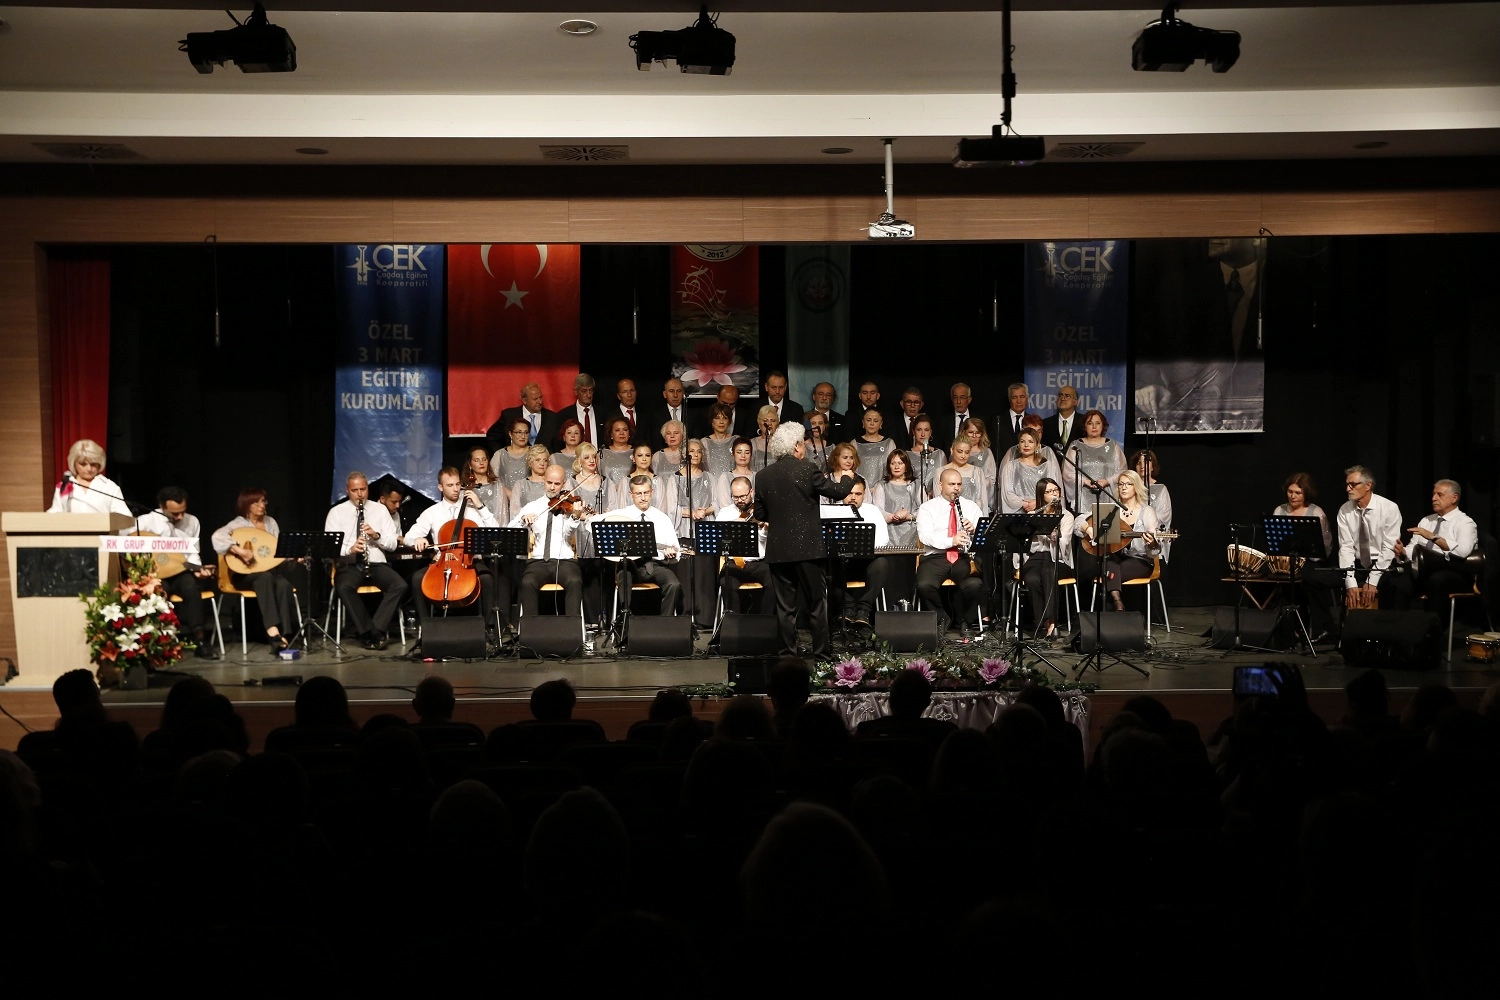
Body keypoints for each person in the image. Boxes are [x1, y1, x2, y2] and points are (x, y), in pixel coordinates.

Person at [754, 422, 855, 658]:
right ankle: (821, 656)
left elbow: (760, 513)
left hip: (779, 551)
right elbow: (837, 492)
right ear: (797, 446)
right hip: (809, 550)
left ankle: (787, 657)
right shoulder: (807, 469)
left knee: (785, 608)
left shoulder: (762, 475)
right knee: (817, 605)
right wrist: (847, 478)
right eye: (803, 444)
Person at [405, 466, 505, 645]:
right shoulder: (432, 512)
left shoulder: (473, 511)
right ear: (440, 487)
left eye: (458, 484)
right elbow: (408, 537)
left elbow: (495, 531)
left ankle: (488, 629)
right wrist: (417, 539)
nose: (456, 489)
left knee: (487, 580)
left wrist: (480, 505)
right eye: (450, 485)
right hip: (441, 562)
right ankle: (426, 629)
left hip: (469, 561)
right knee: (417, 579)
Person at [325, 471, 408, 650]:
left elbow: (392, 544)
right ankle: (367, 630)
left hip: (376, 562)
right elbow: (329, 547)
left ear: (368, 488)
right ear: (347, 490)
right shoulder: (336, 513)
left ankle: (375, 630)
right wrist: (350, 549)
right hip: (349, 564)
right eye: (355, 490)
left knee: (400, 585)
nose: (360, 494)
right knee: (343, 587)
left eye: (363, 489)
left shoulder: (380, 510)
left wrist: (376, 536)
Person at [212, 487, 301, 652]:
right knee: (265, 577)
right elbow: (217, 537)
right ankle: (272, 631)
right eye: (256, 502)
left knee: (283, 584)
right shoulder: (238, 524)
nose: (261, 505)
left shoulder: (271, 523)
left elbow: (277, 551)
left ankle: (286, 634)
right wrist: (239, 551)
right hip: (244, 575)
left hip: (268, 572)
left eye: (263, 501)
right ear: (246, 504)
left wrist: (292, 557)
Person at [135, 485, 217, 658]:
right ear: (162, 507)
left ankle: (200, 640)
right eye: (174, 513)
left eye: (182, 512)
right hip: (156, 573)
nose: (180, 517)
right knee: (157, 592)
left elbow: (193, 552)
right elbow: (126, 543)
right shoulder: (145, 522)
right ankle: (157, 643)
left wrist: (197, 570)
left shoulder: (192, 521)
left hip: (181, 570)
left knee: (191, 587)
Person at [599, 474, 682, 622]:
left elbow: (676, 551)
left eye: (646, 493)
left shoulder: (662, 518)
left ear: (652, 492)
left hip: (654, 564)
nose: (643, 498)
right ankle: (626, 621)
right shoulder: (622, 514)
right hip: (630, 565)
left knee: (673, 584)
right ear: (631, 494)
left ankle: (665, 624)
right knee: (624, 574)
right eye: (638, 493)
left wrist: (671, 553)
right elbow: (593, 523)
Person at [1075, 470, 1160, 612]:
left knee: (1109, 572)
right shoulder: (1112, 509)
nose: (1124, 487)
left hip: (1140, 561)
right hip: (1115, 559)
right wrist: (1088, 529)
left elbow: (1154, 546)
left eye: (1128, 484)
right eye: (1121, 484)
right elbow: (1078, 521)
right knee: (1108, 562)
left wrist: (1152, 543)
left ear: (1136, 487)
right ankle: (1118, 604)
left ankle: (1115, 607)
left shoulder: (1147, 511)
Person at [508, 465, 585, 621]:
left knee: (574, 580)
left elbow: (568, 533)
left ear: (563, 483)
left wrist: (575, 516)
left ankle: (572, 629)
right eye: (549, 482)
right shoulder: (533, 506)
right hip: (538, 561)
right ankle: (531, 629)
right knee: (528, 582)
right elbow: (510, 530)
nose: (552, 487)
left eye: (557, 484)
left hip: (565, 561)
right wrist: (523, 520)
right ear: (543, 480)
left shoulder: (568, 506)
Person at [915, 469, 985, 638]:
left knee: (975, 585)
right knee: (924, 585)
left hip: (963, 556)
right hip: (936, 557)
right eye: (952, 484)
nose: (956, 488)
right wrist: (950, 540)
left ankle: (966, 622)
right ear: (940, 485)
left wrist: (974, 531)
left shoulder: (971, 507)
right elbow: (925, 536)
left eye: (959, 484)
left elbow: (983, 537)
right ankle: (941, 618)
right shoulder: (927, 508)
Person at [1395, 479, 1477, 608]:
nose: (1434, 498)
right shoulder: (1426, 520)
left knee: (1437, 580)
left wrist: (1433, 537)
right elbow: (1414, 549)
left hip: (1453, 572)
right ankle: (1399, 619)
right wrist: (1403, 552)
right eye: (1433, 494)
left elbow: (1463, 551)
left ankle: (1436, 621)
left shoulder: (1465, 522)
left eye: (1439, 495)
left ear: (1454, 498)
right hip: (1422, 572)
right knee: (1396, 580)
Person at [819, 477, 891, 626]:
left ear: (864, 495)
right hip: (840, 563)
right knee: (826, 567)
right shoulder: (830, 511)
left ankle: (864, 609)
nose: (853, 497)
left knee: (882, 564)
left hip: (865, 562)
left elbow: (883, 539)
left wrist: (861, 548)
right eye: (849, 493)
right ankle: (848, 607)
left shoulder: (873, 511)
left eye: (858, 494)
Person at [1018, 478, 1073, 640]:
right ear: (1042, 496)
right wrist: (1028, 526)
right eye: (1049, 492)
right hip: (1035, 558)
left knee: (1049, 571)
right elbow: (1024, 544)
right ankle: (1040, 623)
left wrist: (1052, 534)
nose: (1054, 494)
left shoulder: (1066, 516)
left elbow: (1065, 542)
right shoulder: (1035, 514)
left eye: (1056, 490)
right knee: (1032, 579)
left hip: (1057, 559)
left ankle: (1051, 622)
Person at [714, 475, 772, 616]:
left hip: (760, 563)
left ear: (751, 492)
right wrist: (736, 524)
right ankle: (733, 624)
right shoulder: (725, 513)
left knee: (775, 582)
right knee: (727, 583)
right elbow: (718, 538)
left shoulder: (762, 512)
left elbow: (764, 541)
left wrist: (764, 528)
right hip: (734, 562)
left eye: (743, 496)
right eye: (735, 497)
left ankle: (766, 622)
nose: (739, 500)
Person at [1062, 409, 1126, 513]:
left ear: (1103, 425)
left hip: (1107, 496)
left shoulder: (1112, 445)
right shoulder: (1076, 446)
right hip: (1083, 499)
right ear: (1084, 426)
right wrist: (1085, 481)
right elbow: (1067, 473)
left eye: (1098, 423)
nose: (1094, 427)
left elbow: (1122, 472)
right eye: (1090, 423)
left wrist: (1107, 481)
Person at [48, 438, 132, 516]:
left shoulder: (109, 487)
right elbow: (55, 513)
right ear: (74, 463)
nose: (89, 469)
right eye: (83, 464)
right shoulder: (64, 486)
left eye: (93, 464)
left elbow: (125, 516)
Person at [999, 427, 1062, 514]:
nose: (1026, 445)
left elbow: (1054, 491)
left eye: (1030, 442)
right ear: (1018, 445)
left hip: (1043, 512)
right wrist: (1024, 504)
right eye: (1022, 441)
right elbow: (1007, 493)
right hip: (1018, 515)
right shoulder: (1010, 466)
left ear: (1037, 445)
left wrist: (1037, 503)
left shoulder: (1048, 466)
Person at [1129, 449, 1174, 564]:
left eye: (1146, 462)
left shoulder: (1161, 489)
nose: (1142, 466)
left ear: (1153, 466)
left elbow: (1164, 516)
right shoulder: (1129, 488)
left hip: (1153, 540)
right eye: (1138, 463)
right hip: (1131, 543)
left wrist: (1146, 522)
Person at [668, 438, 718, 540]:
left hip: (706, 527)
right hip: (684, 529)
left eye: (699, 452)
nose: (696, 454)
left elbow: (717, 503)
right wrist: (693, 513)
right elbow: (672, 507)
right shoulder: (675, 478)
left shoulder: (709, 477)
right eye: (692, 451)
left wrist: (704, 512)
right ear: (684, 454)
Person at [1273, 472, 1332, 556]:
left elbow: (1326, 543)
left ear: (1306, 494)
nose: (1293, 496)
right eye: (1290, 492)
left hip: (1310, 561)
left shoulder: (1316, 512)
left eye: (1298, 493)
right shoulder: (1279, 510)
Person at [872, 449, 921, 550]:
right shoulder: (882, 485)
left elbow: (923, 509)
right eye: (893, 463)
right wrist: (893, 516)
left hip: (912, 532)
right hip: (889, 532)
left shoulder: (916, 484)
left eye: (900, 463)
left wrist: (908, 516)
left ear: (906, 466)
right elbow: (878, 511)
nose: (896, 467)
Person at [489, 381, 558, 452]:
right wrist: (503, 454)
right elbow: (492, 436)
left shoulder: (552, 417)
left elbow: (558, 443)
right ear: (524, 400)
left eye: (540, 397)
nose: (540, 402)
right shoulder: (509, 416)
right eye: (535, 399)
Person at [610, 443, 665, 512]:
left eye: (647, 455)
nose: (644, 459)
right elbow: (621, 507)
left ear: (651, 458)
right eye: (640, 455)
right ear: (633, 458)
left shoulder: (658, 481)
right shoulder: (625, 481)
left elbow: (662, 508)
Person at [943, 437, 990, 517]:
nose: (963, 456)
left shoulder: (977, 471)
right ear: (952, 450)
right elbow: (939, 501)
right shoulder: (941, 471)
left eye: (967, 452)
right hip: (948, 517)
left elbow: (982, 501)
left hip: (973, 516)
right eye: (960, 451)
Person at [463, 444, 508, 525]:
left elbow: (503, 514)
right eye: (476, 460)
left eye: (484, 459)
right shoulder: (465, 487)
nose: (481, 463)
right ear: (470, 465)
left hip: (494, 528)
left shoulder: (497, 485)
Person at [491, 415, 534, 493]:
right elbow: (493, 480)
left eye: (526, 432)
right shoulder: (500, 454)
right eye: (519, 432)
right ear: (510, 434)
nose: (523, 436)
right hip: (505, 496)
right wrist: (510, 494)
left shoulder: (534, 453)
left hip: (530, 496)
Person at [906, 414, 945, 501]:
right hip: (913, 498)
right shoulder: (907, 455)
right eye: (919, 430)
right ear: (913, 432)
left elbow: (945, 479)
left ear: (930, 432)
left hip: (936, 498)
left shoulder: (939, 454)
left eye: (926, 430)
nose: (923, 434)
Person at [853, 409, 896, 486]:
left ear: (881, 423)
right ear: (863, 422)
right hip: (860, 487)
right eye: (868, 420)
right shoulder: (855, 443)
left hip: (883, 487)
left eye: (875, 421)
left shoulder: (889, 443)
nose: (872, 423)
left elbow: (893, 468)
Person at [511, 443, 556, 514]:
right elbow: (514, 511)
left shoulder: (553, 484)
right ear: (530, 462)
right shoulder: (520, 485)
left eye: (545, 460)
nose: (542, 463)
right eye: (538, 460)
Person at [562, 372, 601, 449]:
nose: (588, 395)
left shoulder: (603, 414)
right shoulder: (564, 415)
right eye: (584, 391)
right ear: (576, 391)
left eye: (591, 391)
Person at [959, 417, 998, 491]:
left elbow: (991, 478)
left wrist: (977, 487)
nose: (974, 436)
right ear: (964, 432)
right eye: (971, 432)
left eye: (977, 433)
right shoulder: (957, 451)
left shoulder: (987, 452)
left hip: (981, 491)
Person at [699, 403, 738, 476]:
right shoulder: (704, 442)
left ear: (729, 422)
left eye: (725, 418)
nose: (721, 422)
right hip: (710, 481)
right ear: (712, 421)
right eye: (717, 418)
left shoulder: (736, 440)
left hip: (733, 480)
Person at [651, 377, 689, 451]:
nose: (675, 395)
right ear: (665, 394)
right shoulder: (655, 416)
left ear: (683, 393)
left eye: (679, 391)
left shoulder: (693, 415)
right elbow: (655, 441)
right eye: (671, 391)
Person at [598, 415, 639, 486]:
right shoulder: (602, 453)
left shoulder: (637, 452)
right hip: (608, 491)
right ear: (611, 434)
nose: (621, 433)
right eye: (617, 430)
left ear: (629, 433)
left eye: (625, 430)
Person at [1040, 384, 1082, 452]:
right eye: (1060, 395)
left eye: (1067, 396)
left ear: (1075, 402)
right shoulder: (1046, 423)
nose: (1062, 398)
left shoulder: (1083, 422)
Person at [892, 386, 925, 452]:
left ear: (921, 405)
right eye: (908, 402)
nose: (912, 406)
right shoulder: (893, 423)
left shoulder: (927, 423)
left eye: (916, 402)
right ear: (902, 404)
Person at [615, 378, 647, 446]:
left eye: (632, 391)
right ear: (618, 396)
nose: (629, 395)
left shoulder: (645, 415)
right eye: (624, 392)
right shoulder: (611, 416)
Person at [750, 404, 779, 471]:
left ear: (777, 424)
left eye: (773, 421)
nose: (769, 423)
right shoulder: (752, 444)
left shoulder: (783, 444)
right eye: (765, 420)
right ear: (759, 424)